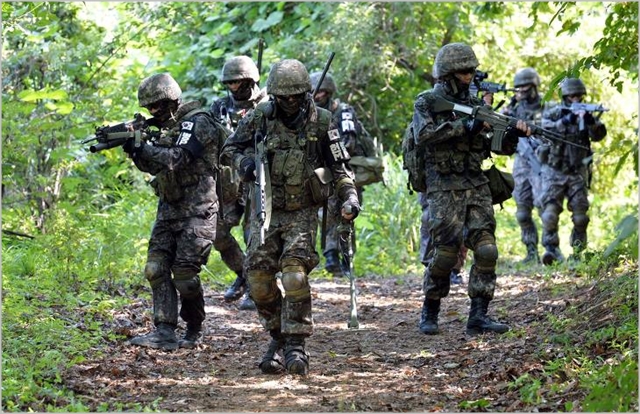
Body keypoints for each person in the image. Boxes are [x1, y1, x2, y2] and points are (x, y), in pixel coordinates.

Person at [220, 59, 360, 375]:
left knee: (294, 276)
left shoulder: (322, 122)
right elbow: (230, 149)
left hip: (302, 212)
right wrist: (243, 163)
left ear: (305, 93)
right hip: (263, 210)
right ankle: (278, 337)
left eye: (296, 96)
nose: (290, 102)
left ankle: (296, 343)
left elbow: (340, 169)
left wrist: (349, 197)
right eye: (284, 98)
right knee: (257, 282)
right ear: (275, 96)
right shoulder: (260, 117)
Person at [412, 43, 531, 336]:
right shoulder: (427, 102)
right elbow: (424, 135)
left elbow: (495, 146)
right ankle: (431, 308)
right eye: (465, 71)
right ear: (449, 74)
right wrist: (466, 126)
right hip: (442, 185)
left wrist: (511, 134)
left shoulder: (479, 103)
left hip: (476, 182)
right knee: (445, 254)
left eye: (472, 70)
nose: (470, 75)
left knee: (487, 248)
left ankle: (479, 315)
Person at [126, 73, 224, 350]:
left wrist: (143, 146)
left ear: (172, 100)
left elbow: (175, 159)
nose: (153, 112)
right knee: (155, 269)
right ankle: (164, 331)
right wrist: (134, 149)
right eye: (149, 108)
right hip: (168, 209)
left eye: (157, 105)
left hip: (198, 211)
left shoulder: (198, 122)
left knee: (185, 276)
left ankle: (194, 327)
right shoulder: (166, 130)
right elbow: (153, 166)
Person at [210, 55, 269, 311]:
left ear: (250, 80)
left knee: (254, 234)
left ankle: (257, 287)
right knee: (218, 234)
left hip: (257, 178)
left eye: (239, 82)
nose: (234, 87)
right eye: (230, 83)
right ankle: (244, 274)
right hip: (228, 181)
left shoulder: (267, 105)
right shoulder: (219, 107)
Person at [537, 77, 607, 265]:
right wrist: (566, 120)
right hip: (554, 171)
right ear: (565, 97)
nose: (576, 99)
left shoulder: (586, 113)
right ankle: (551, 250)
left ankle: (577, 253)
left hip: (577, 172)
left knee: (580, 216)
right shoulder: (554, 113)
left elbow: (598, 135)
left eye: (579, 96)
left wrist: (590, 121)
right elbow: (543, 129)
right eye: (571, 96)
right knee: (550, 214)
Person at [309, 71, 370, 277]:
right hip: (321, 174)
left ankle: (346, 259)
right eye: (316, 92)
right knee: (324, 214)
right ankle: (330, 255)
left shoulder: (343, 112)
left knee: (347, 213)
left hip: (345, 171)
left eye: (323, 92)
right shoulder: (310, 114)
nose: (319, 96)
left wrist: (333, 158)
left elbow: (349, 143)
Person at [501, 68, 545, 264]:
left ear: (534, 86)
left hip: (541, 161)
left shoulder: (547, 106)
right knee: (522, 210)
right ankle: (531, 251)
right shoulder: (514, 108)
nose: (521, 91)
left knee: (545, 208)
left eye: (525, 87)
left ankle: (552, 249)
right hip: (521, 161)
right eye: (518, 88)